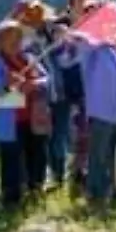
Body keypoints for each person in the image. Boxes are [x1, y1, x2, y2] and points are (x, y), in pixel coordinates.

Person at [0, 19, 51, 208]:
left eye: (17, 37)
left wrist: (34, 85)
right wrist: (11, 86)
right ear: (1, 40)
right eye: (10, 37)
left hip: (33, 118)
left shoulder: (29, 59)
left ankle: (35, 189)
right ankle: (11, 197)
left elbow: (47, 79)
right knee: (11, 158)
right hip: (9, 120)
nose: (14, 41)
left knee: (37, 154)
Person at [81, 36, 116, 203]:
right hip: (102, 110)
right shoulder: (92, 47)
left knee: (114, 153)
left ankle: (114, 190)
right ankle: (95, 192)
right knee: (98, 154)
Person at [43, 14, 84, 189]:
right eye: (54, 31)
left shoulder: (70, 51)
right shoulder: (44, 49)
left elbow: (68, 62)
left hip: (61, 100)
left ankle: (58, 176)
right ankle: (49, 173)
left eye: (61, 31)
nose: (57, 34)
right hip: (44, 100)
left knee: (58, 138)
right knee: (47, 138)